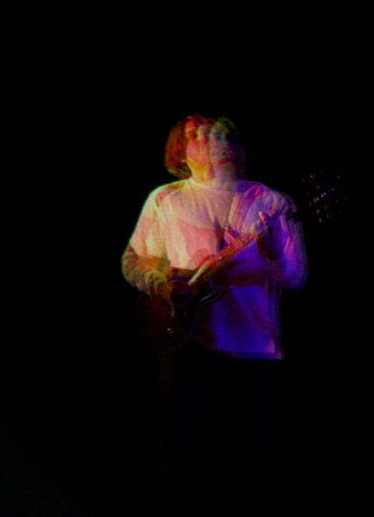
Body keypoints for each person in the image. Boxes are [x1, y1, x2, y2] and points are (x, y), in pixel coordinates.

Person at [121, 114, 307, 514]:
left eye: (214, 134)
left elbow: (295, 277)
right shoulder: (165, 198)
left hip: (254, 348)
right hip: (189, 342)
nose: (207, 140)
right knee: (180, 453)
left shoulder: (270, 202)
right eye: (195, 136)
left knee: (253, 463)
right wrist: (164, 285)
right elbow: (134, 262)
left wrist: (273, 249)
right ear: (180, 152)